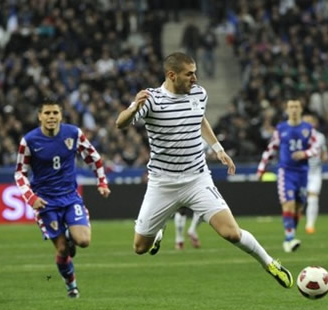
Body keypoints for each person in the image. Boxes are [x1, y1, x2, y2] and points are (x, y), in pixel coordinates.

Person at [115, 52, 293, 288]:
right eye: (189, 74)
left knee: (231, 233)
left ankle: (269, 263)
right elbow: (121, 123)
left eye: (195, 72)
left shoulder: (199, 93)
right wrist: (133, 108)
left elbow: (199, 118)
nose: (195, 78)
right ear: (172, 75)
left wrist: (218, 148)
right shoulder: (151, 99)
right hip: (163, 183)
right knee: (139, 248)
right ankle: (157, 232)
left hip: (197, 179)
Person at [14, 98, 111, 298]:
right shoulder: (29, 141)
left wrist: (102, 182)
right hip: (45, 202)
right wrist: (31, 198)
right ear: (39, 116)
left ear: (61, 115)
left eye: (55, 113)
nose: (51, 117)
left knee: (83, 241)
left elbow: (94, 158)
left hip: (69, 198)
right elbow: (19, 173)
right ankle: (71, 286)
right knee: (62, 250)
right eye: (47, 113)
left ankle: (70, 235)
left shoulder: (73, 134)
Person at [256, 100, 317, 253]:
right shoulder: (281, 128)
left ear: (301, 109)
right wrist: (262, 168)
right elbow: (271, 148)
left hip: (303, 172)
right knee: (288, 204)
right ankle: (289, 238)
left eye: (296, 107)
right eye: (291, 107)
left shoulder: (308, 129)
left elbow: (316, 148)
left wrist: (305, 153)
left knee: (298, 207)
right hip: (286, 171)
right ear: (287, 110)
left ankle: (291, 235)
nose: (294, 110)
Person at [302, 113, 328, 234]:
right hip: (300, 171)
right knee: (298, 200)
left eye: (310, 121)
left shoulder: (320, 137)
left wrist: (324, 157)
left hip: (314, 172)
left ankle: (310, 225)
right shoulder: (297, 136)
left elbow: (324, 153)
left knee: (313, 197)